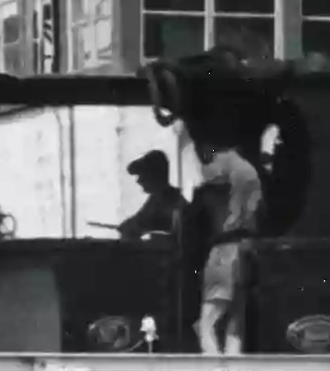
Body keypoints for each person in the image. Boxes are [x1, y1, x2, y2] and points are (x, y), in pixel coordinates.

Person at [191, 126, 264, 355]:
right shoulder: (249, 173)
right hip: (245, 250)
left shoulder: (222, 168)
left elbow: (206, 191)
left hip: (223, 252)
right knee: (235, 326)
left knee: (205, 325)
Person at [110, 152, 184, 239]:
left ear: (155, 175)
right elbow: (138, 221)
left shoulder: (174, 202)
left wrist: (131, 227)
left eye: (143, 175)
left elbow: (141, 222)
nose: (139, 181)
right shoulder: (156, 199)